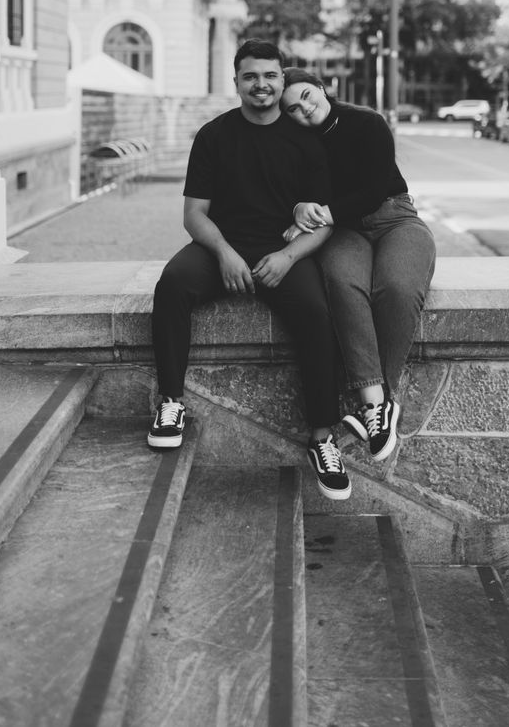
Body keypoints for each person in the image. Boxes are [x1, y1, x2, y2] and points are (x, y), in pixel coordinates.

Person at [148, 39, 351, 501]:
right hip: (222, 246)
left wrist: (289, 257)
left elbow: (323, 223)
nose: (261, 84)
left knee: (317, 312)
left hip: (282, 252)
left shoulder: (305, 141)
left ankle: (322, 438)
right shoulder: (214, 136)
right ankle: (171, 403)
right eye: (251, 76)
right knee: (172, 284)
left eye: (270, 75)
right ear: (236, 81)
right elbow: (194, 215)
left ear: (282, 79)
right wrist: (223, 252)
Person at [280, 69, 436, 462]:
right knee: (343, 283)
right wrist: (299, 208)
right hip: (342, 231)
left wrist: (323, 212)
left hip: (395, 217)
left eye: (306, 96)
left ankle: (377, 404)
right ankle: (377, 405)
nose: (304, 109)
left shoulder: (367, 123)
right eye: (293, 108)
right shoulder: (296, 143)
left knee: (397, 287)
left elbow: (373, 189)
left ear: (320, 87)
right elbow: (292, 191)